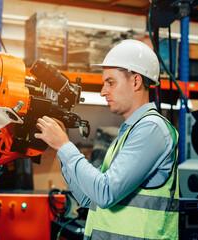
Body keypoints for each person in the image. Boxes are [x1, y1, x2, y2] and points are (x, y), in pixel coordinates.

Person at [35, 39, 179, 240]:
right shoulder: (127, 133)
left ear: (136, 81)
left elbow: (105, 193)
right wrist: (60, 149)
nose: (103, 91)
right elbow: (88, 197)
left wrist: (64, 145)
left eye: (110, 82)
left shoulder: (152, 129)